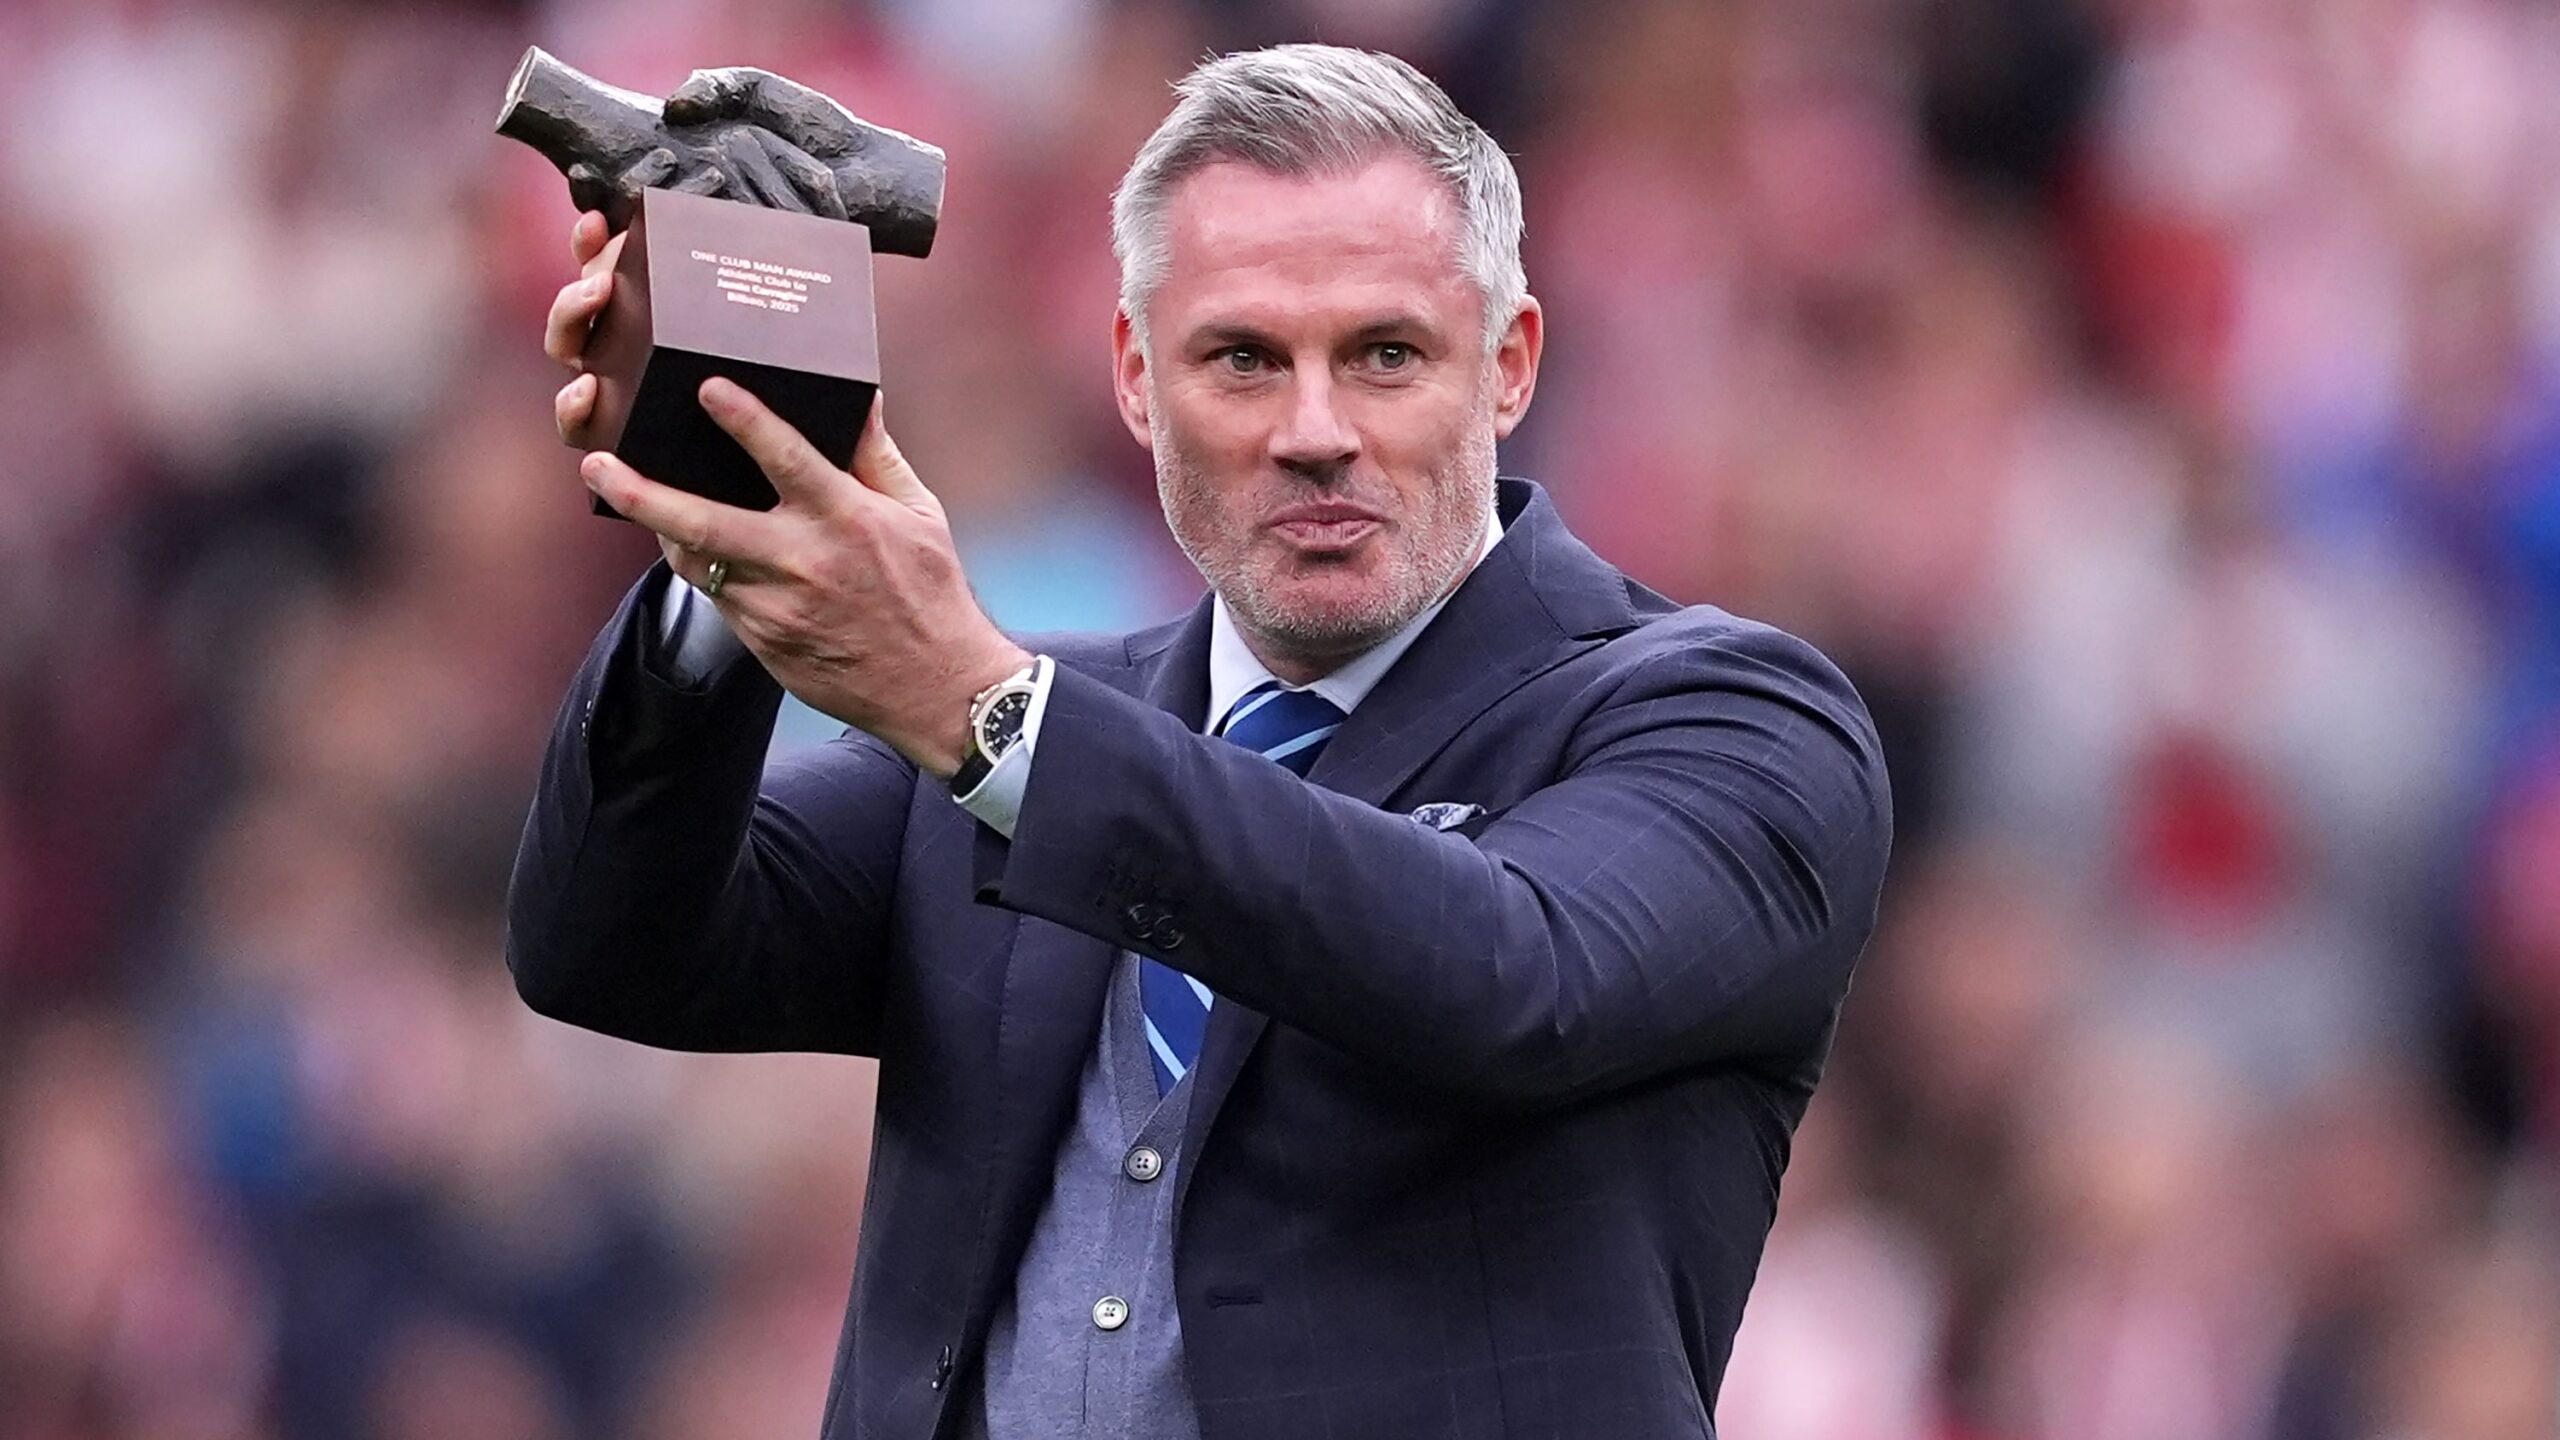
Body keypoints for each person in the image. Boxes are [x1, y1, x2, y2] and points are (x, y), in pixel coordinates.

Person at [508, 42, 1892, 1440]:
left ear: (1510, 365)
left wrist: (991, 716)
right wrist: (735, 508)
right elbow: (611, 950)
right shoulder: (1024, 724)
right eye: (1242, 358)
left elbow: (1509, 976)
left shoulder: (1735, 719)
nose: (1314, 430)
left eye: (1386, 354)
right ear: (1134, 377)